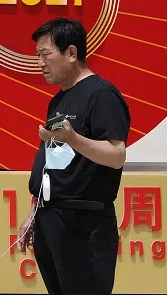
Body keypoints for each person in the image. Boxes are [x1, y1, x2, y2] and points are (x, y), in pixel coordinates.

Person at [15, 17, 131, 295]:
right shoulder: (58, 99)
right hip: (51, 217)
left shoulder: (101, 95)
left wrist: (73, 138)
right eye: (37, 56)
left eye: (45, 54)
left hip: (84, 222)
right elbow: (54, 162)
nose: (40, 63)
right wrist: (35, 212)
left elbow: (116, 155)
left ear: (71, 53)